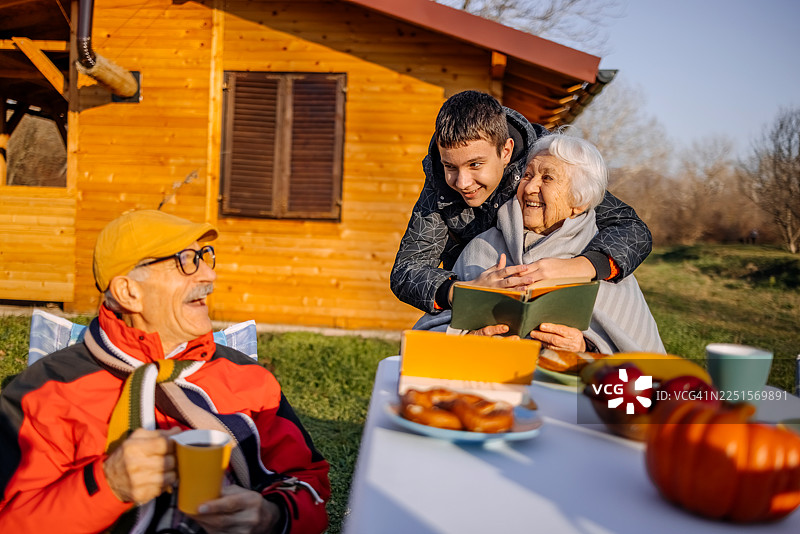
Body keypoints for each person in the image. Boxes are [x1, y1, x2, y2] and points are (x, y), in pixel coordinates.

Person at [0, 210, 330, 533]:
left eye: (204, 257)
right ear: (129, 292)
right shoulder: (44, 393)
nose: (208, 275)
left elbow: (309, 481)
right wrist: (109, 484)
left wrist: (272, 516)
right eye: (186, 260)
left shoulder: (248, 378)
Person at [390, 90, 653, 314]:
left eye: (475, 165)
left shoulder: (546, 159)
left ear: (506, 151)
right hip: (475, 308)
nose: (462, 182)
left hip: (557, 298)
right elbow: (406, 271)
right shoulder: (439, 183)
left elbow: (631, 227)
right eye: (451, 166)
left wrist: (581, 267)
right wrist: (461, 292)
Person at [415, 133, 664, 355]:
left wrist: (586, 347)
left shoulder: (603, 256)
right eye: (527, 175)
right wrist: (472, 339)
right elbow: (427, 337)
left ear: (579, 201)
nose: (530, 187)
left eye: (547, 178)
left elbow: (640, 360)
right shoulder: (483, 247)